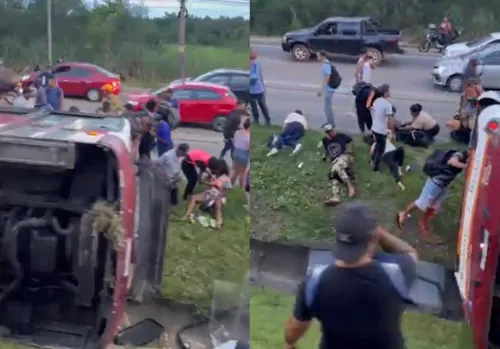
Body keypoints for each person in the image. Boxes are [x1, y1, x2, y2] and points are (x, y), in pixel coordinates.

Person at [285, 201, 418, 349]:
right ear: (372, 237)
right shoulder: (396, 274)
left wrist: (290, 344)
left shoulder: (314, 283)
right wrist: (379, 233)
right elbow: (410, 253)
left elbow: (291, 334)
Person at [396, 149, 469, 240]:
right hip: (435, 183)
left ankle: (423, 223)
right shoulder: (461, 154)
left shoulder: (466, 157)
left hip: (442, 185)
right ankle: (404, 213)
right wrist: (467, 166)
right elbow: (452, 161)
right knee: (421, 203)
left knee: (433, 206)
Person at [182, 159, 232, 229]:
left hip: (219, 196)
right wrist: (202, 175)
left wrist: (219, 194)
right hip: (209, 194)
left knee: (218, 205)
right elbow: (202, 182)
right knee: (193, 197)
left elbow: (227, 190)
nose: (216, 170)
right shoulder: (213, 176)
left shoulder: (226, 178)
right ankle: (186, 215)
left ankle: (218, 223)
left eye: (217, 169)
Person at [322, 124, 356, 205]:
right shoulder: (325, 140)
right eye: (331, 131)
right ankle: (335, 196)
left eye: (333, 130)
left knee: (337, 166)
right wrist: (324, 155)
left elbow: (351, 141)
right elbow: (327, 149)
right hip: (335, 161)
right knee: (333, 175)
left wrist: (350, 149)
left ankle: (350, 187)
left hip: (344, 156)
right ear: (327, 133)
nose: (333, 132)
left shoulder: (340, 136)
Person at [447, 77, 482, 144]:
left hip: (473, 123)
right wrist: (457, 114)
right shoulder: (464, 97)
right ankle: (461, 136)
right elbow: (461, 109)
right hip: (464, 121)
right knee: (450, 123)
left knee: (471, 124)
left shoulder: (481, 100)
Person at [371, 84, 393, 172]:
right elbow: (389, 119)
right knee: (381, 149)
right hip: (381, 130)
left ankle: (373, 159)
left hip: (375, 127)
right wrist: (391, 131)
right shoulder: (387, 105)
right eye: (389, 91)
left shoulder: (377, 101)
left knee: (377, 145)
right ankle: (376, 167)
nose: (390, 92)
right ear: (385, 93)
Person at [249, 48, 271, 125]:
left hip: (258, 89)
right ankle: (256, 120)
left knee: (262, 105)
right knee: (254, 106)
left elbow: (255, 77)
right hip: (251, 90)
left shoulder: (256, 65)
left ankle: (267, 120)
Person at [317, 50, 336, 126]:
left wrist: (321, 90)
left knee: (327, 107)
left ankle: (330, 123)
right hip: (328, 88)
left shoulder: (326, 65)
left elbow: (327, 78)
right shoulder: (326, 63)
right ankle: (329, 122)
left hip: (329, 89)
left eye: (318, 55)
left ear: (322, 56)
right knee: (327, 107)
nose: (317, 57)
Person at [231, 117, 250, 187]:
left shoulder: (237, 132)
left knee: (234, 171)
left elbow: (234, 141)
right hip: (243, 155)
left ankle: (229, 186)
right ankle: (241, 188)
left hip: (236, 153)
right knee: (241, 173)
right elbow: (248, 148)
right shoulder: (248, 136)